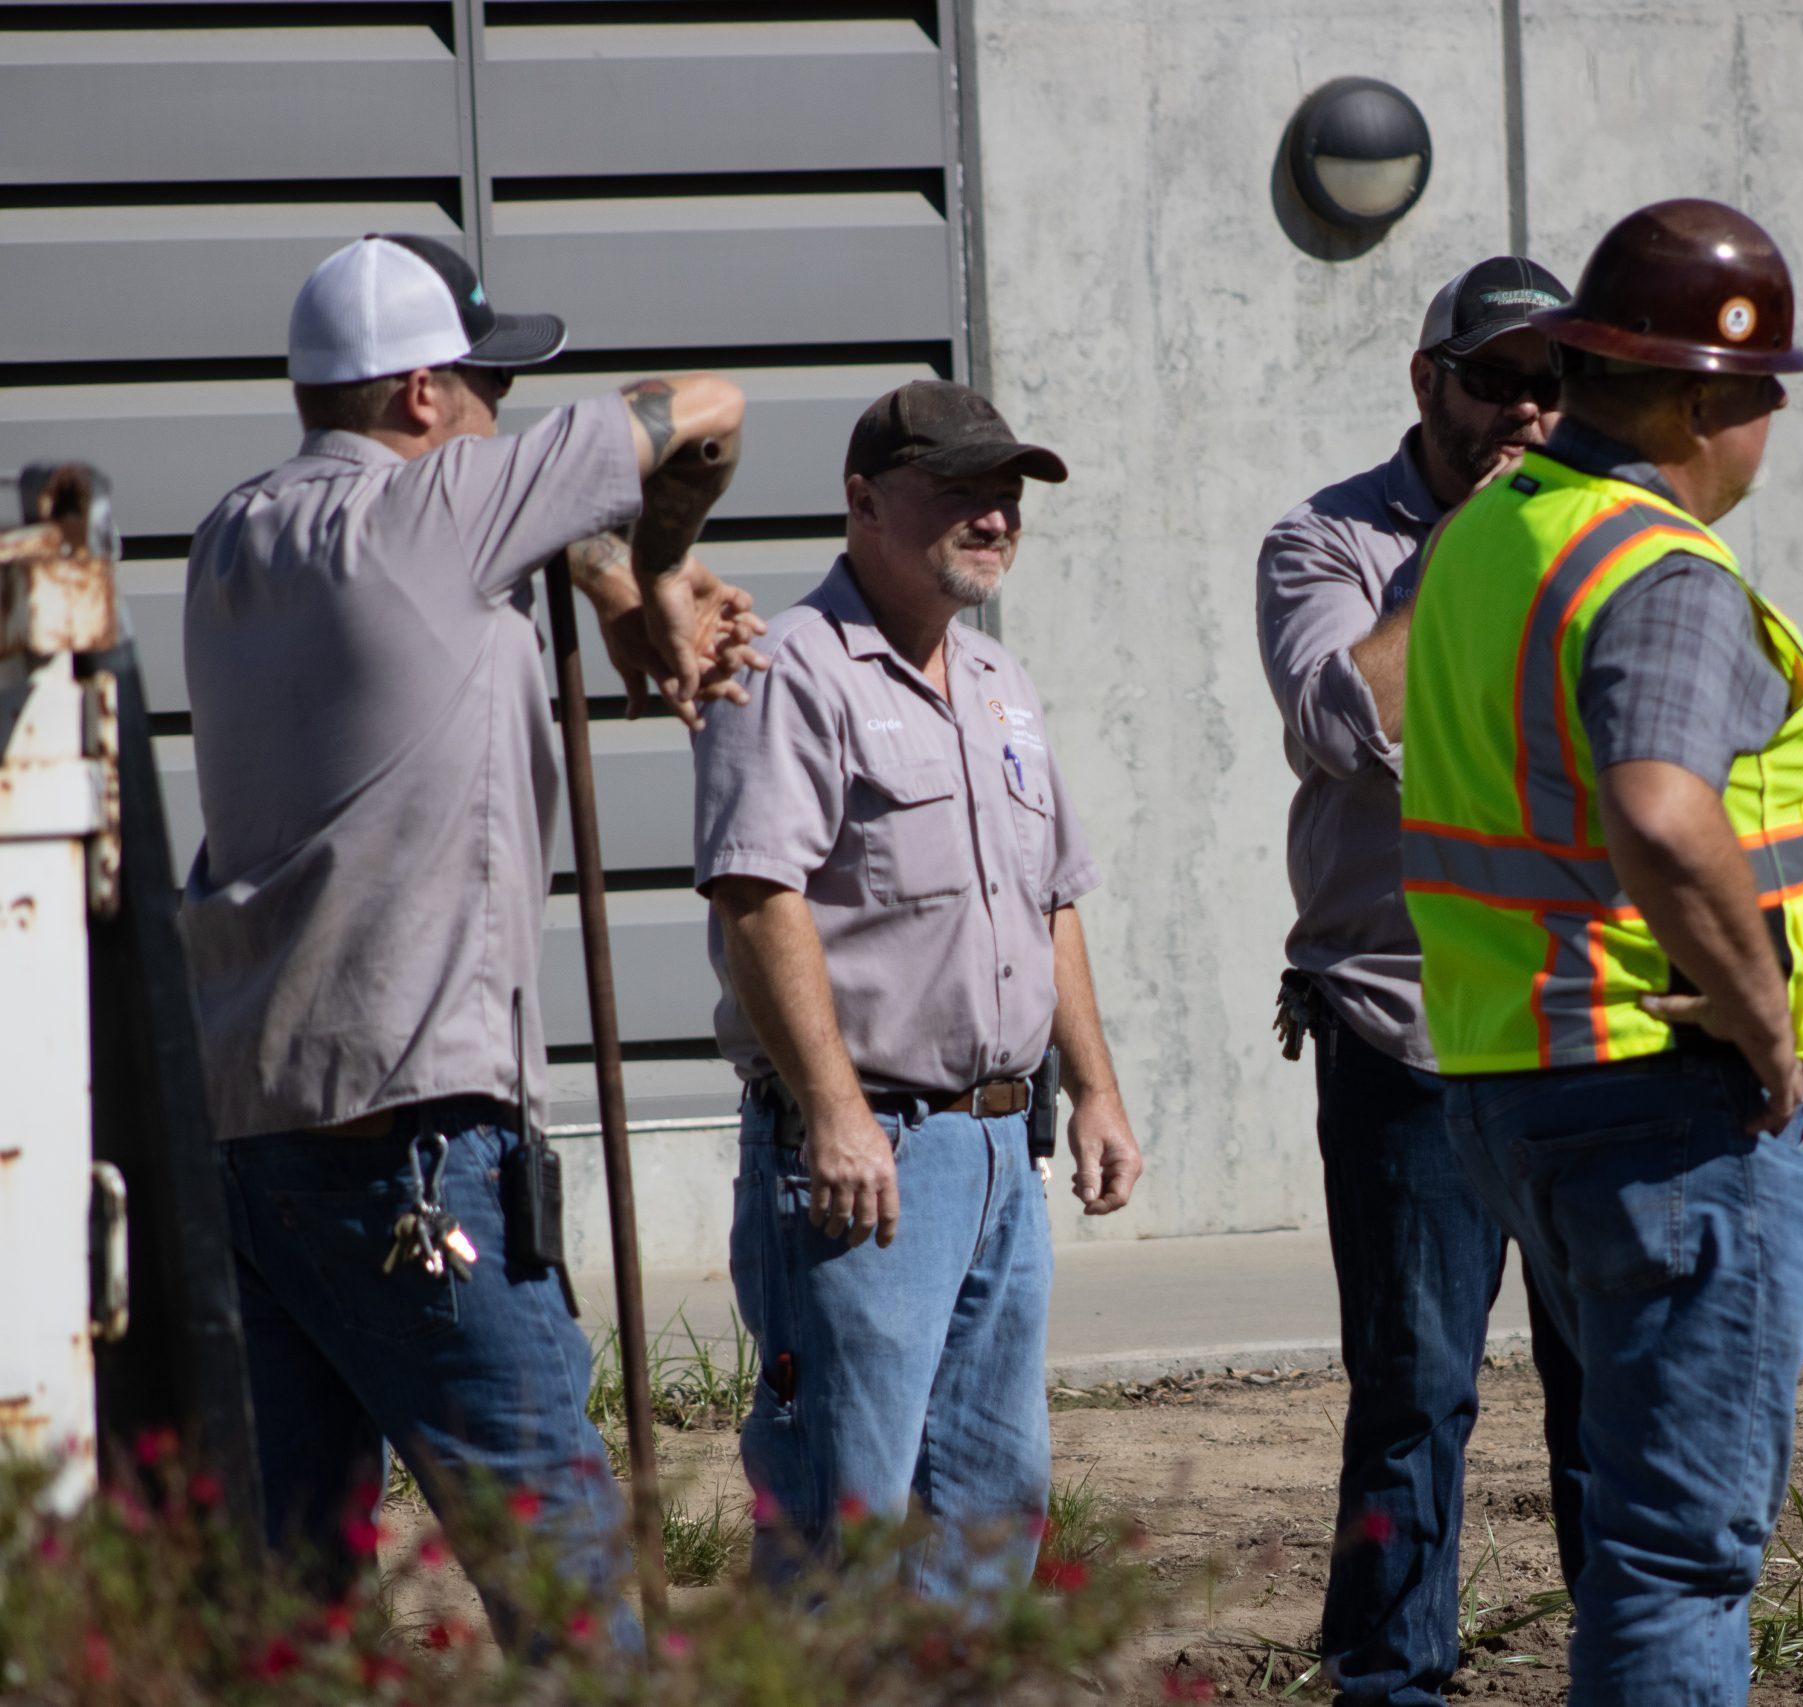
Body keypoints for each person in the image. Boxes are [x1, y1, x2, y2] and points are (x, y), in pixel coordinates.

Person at [182, 232, 763, 1645]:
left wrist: (614, 588)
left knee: (288, 1597)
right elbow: (707, 406)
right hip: (419, 1141)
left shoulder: (235, 535)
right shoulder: (434, 518)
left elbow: (496, 542)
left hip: (251, 1139)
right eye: (489, 386)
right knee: (573, 1592)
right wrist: (666, 572)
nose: (502, 412)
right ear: (425, 397)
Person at [1398, 201, 1803, 1702]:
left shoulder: (1490, 532)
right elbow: (1665, 817)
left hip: (1517, 1080)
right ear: (1694, 399)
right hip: (1663, 1105)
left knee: (1635, 1531)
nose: (1768, 432)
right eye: (1760, 399)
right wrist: (1762, 1017)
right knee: (1680, 1553)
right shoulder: (1657, 568)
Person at [692, 379, 1144, 1596]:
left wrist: (1092, 1089)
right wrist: (835, 1115)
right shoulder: (793, 670)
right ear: (862, 502)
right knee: (845, 1520)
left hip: (1001, 1149)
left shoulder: (999, 683)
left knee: (989, 1518)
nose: (992, 515)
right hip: (865, 1159)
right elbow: (754, 897)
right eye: (957, 490)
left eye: (1005, 493)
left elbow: (1052, 899)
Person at [1255, 256, 1590, 1705]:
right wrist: (1479, 540)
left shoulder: (1608, 539)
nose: (1522, 409)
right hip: (1405, 1031)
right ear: (1426, 379)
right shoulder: (1328, 540)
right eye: (1494, 379)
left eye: (1547, 382)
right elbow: (1344, 716)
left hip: (1583, 1039)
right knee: (1413, 1393)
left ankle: (1635, 1666)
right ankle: (1391, 1677)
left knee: (1605, 1395)